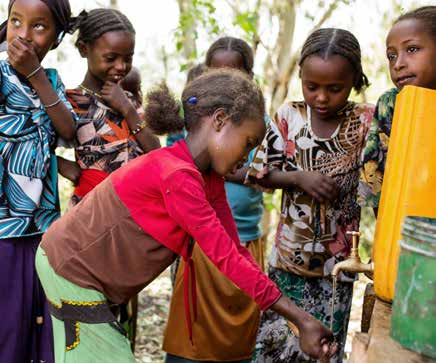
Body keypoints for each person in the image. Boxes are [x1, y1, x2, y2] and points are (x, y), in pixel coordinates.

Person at [36, 68, 336, 363]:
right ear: (220, 120)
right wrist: (300, 318)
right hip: (71, 268)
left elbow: (233, 251)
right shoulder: (177, 176)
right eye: (247, 144)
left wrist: (298, 320)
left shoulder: (208, 179)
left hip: (80, 271)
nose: (247, 158)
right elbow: (225, 257)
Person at [247, 28, 374, 363]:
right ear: (301, 78)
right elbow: (260, 173)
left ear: (355, 81)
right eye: (312, 86)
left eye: (335, 89)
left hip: (337, 270)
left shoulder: (365, 122)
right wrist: (298, 177)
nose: (321, 97)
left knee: (323, 352)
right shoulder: (288, 116)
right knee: (276, 350)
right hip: (287, 263)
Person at [163, 36, 268, 363]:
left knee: (236, 335)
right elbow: (194, 169)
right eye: (218, 72)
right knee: (192, 333)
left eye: (236, 74)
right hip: (198, 243)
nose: (228, 82)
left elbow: (260, 170)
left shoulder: (254, 123)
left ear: (250, 77)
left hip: (243, 238)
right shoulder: (192, 122)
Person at [0, 0, 77, 361]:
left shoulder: (52, 81)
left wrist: (35, 75)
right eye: (16, 21)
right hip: (3, 231)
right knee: (8, 332)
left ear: (57, 37)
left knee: (39, 334)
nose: (24, 35)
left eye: (39, 26)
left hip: (43, 231)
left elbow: (67, 128)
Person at [57, 8, 160, 207]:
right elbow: (36, 147)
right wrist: (59, 164)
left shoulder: (130, 99)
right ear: (83, 49)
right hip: (93, 211)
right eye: (111, 58)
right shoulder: (69, 102)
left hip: (137, 208)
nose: (121, 66)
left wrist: (128, 110)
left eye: (128, 58)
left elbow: (155, 151)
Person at [359, 5, 436, 214]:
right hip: (404, 227)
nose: (398, 64)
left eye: (412, 49)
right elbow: (376, 176)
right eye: (391, 56)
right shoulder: (390, 104)